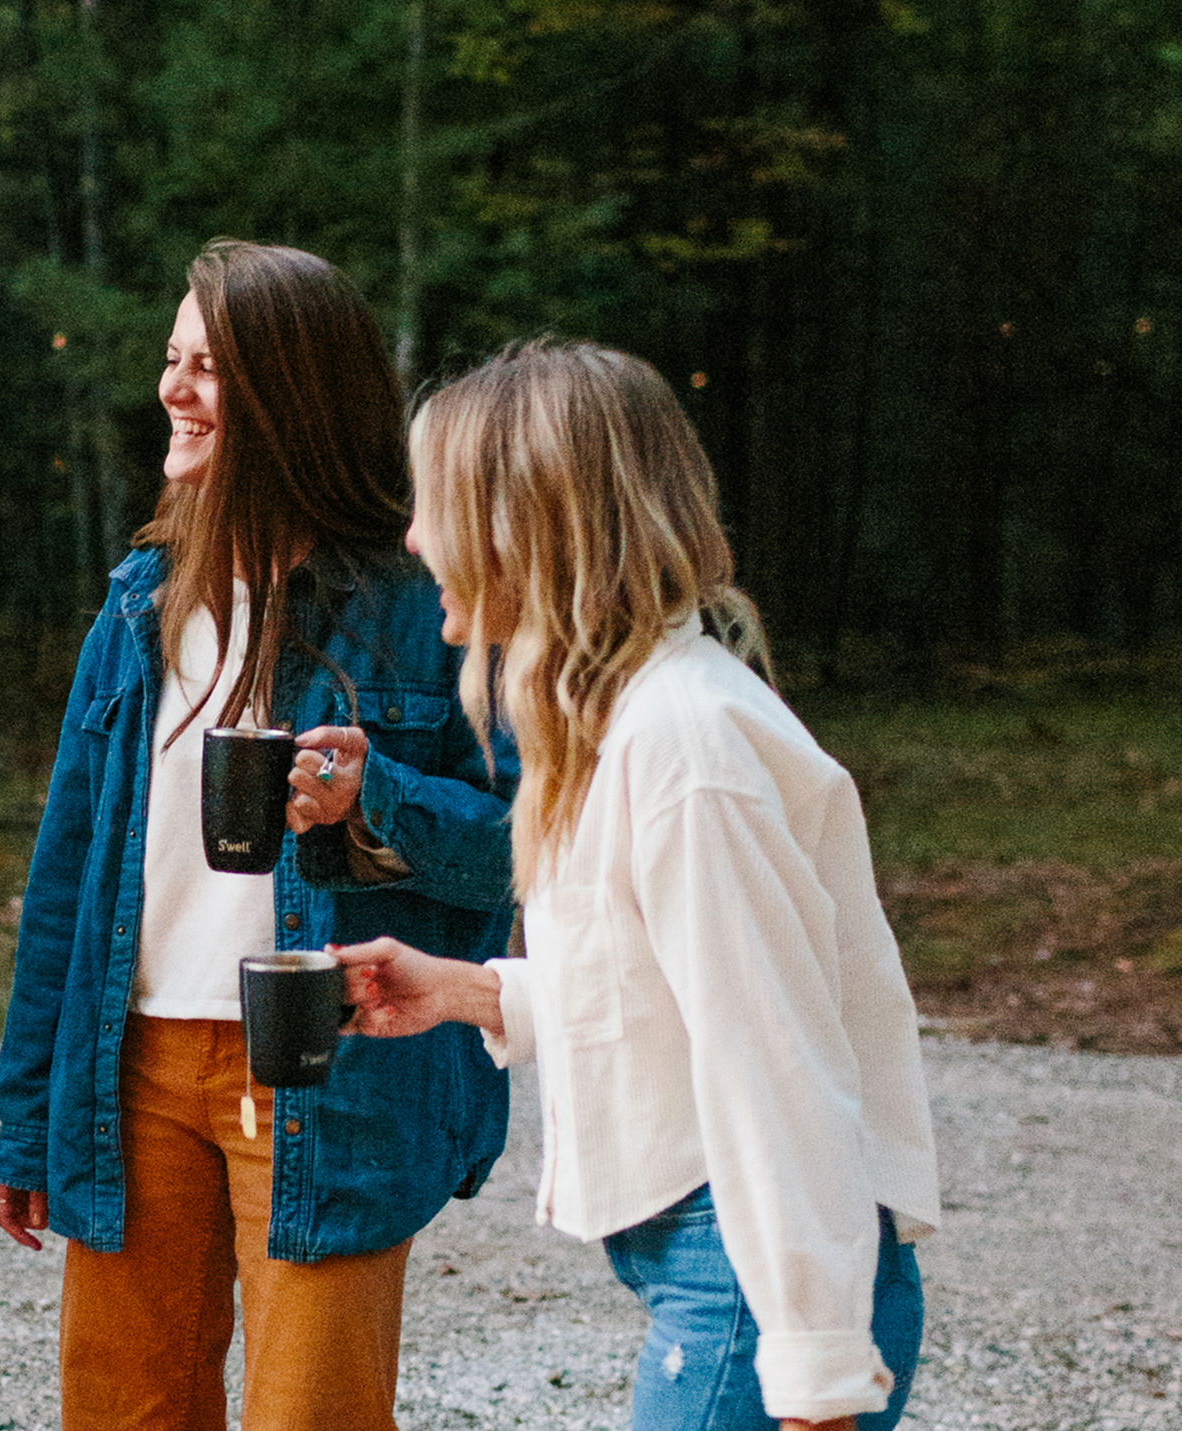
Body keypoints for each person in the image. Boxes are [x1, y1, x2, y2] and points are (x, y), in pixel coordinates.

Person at [333, 338, 942, 1431]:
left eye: (436, 508)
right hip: (724, 1268)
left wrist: (810, 1371)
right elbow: (658, 981)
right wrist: (474, 993)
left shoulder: (683, 745)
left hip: (751, 1286)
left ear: (524, 525)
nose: (415, 539)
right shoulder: (622, 720)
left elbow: (775, 1061)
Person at [0, 240, 518, 1431]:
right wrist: (27, 1116)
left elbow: (533, 851)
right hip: (133, 1072)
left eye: (209, 368)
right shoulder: (138, 605)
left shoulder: (423, 610)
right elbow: (66, 876)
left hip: (330, 1067)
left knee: (310, 1417)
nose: (172, 391)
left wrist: (376, 799)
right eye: (171, 361)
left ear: (296, 399)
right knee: (125, 1411)